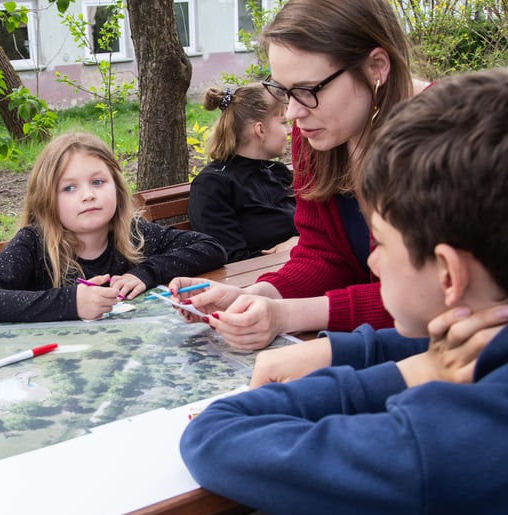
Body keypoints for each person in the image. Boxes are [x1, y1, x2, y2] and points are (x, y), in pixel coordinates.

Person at [180, 68, 508, 515]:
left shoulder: (442, 447)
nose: (371, 260)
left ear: (448, 274)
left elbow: (216, 437)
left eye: (382, 243)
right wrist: (344, 348)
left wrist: (403, 372)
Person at [170, 0, 429, 350]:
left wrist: (286, 314)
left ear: (376, 68)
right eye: (283, 90)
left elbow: (428, 297)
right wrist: (253, 296)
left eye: (307, 90)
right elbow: (322, 254)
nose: (292, 113)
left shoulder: (444, 141)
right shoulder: (317, 134)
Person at [0, 132, 226, 324]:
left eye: (98, 182)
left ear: (117, 187)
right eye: (69, 188)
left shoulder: (133, 234)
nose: (87, 195)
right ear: (46, 199)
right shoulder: (34, 244)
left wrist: (146, 273)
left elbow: (211, 248)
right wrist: (72, 302)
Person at [188, 83, 296, 263]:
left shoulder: (277, 172)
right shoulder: (213, 186)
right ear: (260, 129)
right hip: (255, 283)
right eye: (284, 122)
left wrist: (299, 243)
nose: (290, 130)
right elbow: (229, 259)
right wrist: (292, 251)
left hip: (302, 270)